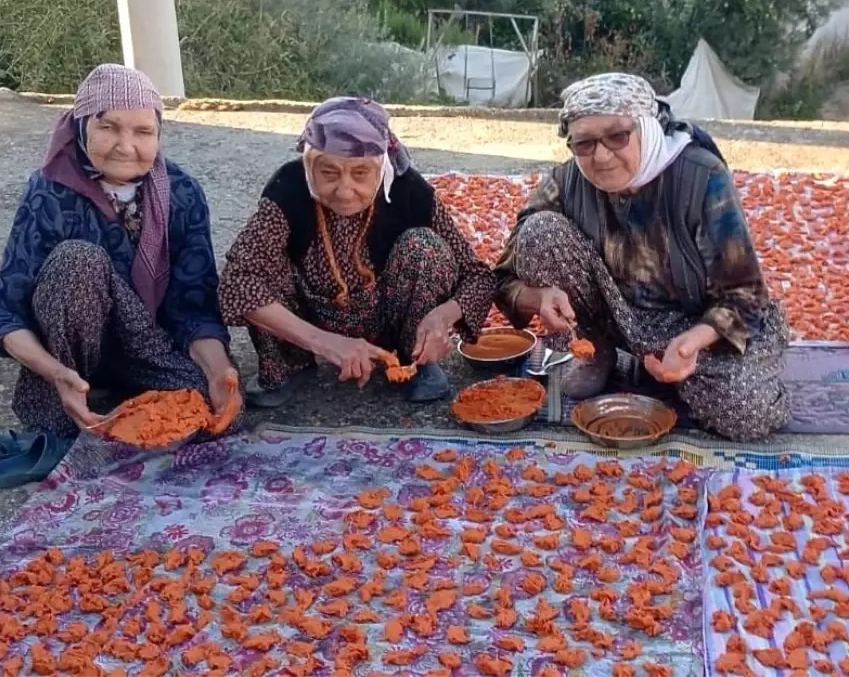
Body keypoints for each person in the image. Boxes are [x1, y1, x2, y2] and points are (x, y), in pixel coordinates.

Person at [493, 73, 790, 441]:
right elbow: (502, 277)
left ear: (648, 128)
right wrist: (539, 298)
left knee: (746, 412)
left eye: (618, 136)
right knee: (540, 232)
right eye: (584, 143)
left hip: (693, 324)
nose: (601, 156)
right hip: (619, 318)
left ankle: (670, 372)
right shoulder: (567, 181)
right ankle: (595, 351)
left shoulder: (701, 178)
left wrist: (693, 343)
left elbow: (745, 294)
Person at [0, 64, 238, 441]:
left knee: (210, 413)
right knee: (78, 261)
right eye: (108, 127)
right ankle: (71, 392)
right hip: (67, 356)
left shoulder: (182, 193)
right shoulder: (49, 192)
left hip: (148, 343)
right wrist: (55, 372)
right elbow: (7, 317)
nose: (126, 146)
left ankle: (128, 389)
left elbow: (194, 307)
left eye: (143, 132)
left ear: (158, 135)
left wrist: (219, 372)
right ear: (81, 126)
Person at [218, 97, 495, 406]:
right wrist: (325, 343)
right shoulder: (289, 188)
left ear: (381, 168)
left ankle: (414, 361)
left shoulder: (408, 191)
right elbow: (236, 283)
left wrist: (442, 317)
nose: (345, 190)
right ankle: (288, 364)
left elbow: (479, 277)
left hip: (389, 317)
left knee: (424, 248)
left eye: (361, 173)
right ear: (310, 166)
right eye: (329, 173)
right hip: (308, 316)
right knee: (260, 260)